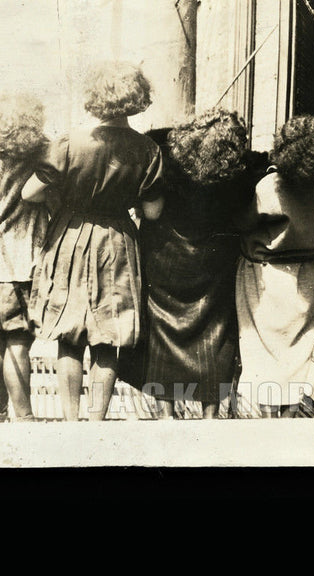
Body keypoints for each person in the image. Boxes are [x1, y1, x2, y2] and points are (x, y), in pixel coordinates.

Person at [22, 61, 165, 421]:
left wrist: (65, 200)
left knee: (69, 335)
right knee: (109, 336)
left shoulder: (69, 143)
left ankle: (71, 422)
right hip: (117, 242)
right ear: (137, 99)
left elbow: (30, 194)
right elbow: (153, 214)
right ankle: (96, 422)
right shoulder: (148, 151)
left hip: (70, 237)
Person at [118, 108, 268, 419]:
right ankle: (210, 414)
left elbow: (154, 142)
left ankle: (165, 412)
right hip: (213, 261)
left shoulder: (165, 155)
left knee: (161, 331)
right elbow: (263, 163)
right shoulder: (240, 170)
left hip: (164, 255)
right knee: (215, 333)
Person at [235, 115, 314, 418]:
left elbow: (244, 221)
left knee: (262, 354)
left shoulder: (271, 185)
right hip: (309, 274)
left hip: (266, 274)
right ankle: (288, 420)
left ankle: (261, 424)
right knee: (297, 353)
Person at [0, 92, 50, 422]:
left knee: (0, 337)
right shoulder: (41, 155)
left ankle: (3, 407)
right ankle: (25, 416)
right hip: (25, 258)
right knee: (19, 342)